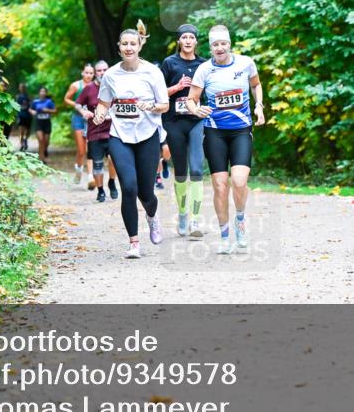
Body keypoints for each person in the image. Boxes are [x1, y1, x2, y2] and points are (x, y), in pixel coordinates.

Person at [186, 25, 265, 254]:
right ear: (210, 47)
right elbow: (192, 99)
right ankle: (224, 236)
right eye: (215, 45)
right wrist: (196, 109)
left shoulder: (245, 63)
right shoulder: (203, 70)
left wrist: (259, 106)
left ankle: (240, 221)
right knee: (220, 186)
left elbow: (256, 85)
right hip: (215, 132)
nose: (219, 48)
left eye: (223, 43)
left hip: (241, 130)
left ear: (229, 44)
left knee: (239, 182)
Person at [93, 24, 169, 259]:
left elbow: (164, 105)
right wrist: (99, 113)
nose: (128, 47)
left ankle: (152, 216)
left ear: (139, 46)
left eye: (132, 44)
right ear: (119, 47)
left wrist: (151, 106)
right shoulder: (111, 74)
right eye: (124, 44)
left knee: (146, 193)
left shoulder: (152, 72)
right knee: (128, 187)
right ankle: (134, 243)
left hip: (147, 135)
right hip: (119, 136)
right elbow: (104, 103)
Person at [159, 23, 207, 239]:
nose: (188, 41)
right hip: (174, 122)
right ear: (178, 41)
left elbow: (210, 94)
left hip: (196, 121)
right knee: (180, 171)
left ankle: (195, 220)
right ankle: (182, 214)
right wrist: (178, 88)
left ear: (196, 41)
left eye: (191, 37)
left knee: (196, 170)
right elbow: (158, 94)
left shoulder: (204, 65)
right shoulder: (170, 63)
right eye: (184, 37)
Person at [76, 60, 120, 202]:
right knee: (97, 164)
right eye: (99, 71)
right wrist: (83, 112)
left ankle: (112, 182)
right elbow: (78, 104)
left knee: (113, 160)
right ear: (95, 73)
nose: (102, 73)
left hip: (113, 132)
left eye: (104, 70)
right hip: (94, 132)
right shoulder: (89, 89)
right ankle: (100, 190)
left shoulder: (115, 87)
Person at [65, 64, 95, 186]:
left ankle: (90, 177)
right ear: (82, 73)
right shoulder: (76, 85)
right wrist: (78, 105)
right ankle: (78, 170)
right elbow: (66, 99)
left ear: (94, 74)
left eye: (91, 73)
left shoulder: (96, 86)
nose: (88, 75)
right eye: (86, 72)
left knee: (89, 149)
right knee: (81, 150)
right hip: (78, 118)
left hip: (90, 119)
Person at [30, 86, 56, 162]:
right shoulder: (35, 102)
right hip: (38, 122)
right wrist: (32, 112)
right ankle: (41, 158)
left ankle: (44, 152)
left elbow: (55, 111)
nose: (42, 93)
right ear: (39, 93)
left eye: (44, 91)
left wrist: (47, 110)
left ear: (46, 93)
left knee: (46, 142)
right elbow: (30, 109)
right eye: (41, 91)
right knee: (41, 140)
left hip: (47, 122)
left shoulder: (49, 102)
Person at [14, 83, 32, 151]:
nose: (21, 88)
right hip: (20, 115)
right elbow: (15, 106)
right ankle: (21, 144)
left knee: (28, 131)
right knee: (21, 131)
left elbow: (31, 104)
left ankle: (25, 140)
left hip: (28, 115)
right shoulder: (17, 96)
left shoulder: (28, 96)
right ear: (19, 88)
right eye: (20, 87)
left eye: (23, 87)